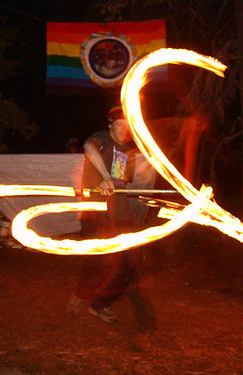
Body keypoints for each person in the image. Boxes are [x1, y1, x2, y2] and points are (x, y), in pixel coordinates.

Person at [67, 106, 156, 334]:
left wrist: (116, 187)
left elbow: (122, 184)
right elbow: (88, 147)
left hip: (120, 213)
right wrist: (104, 179)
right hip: (96, 211)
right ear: (110, 124)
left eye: (128, 125)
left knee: (128, 261)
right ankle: (79, 295)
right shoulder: (101, 138)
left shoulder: (128, 152)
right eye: (120, 124)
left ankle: (99, 304)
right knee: (98, 260)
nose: (124, 129)